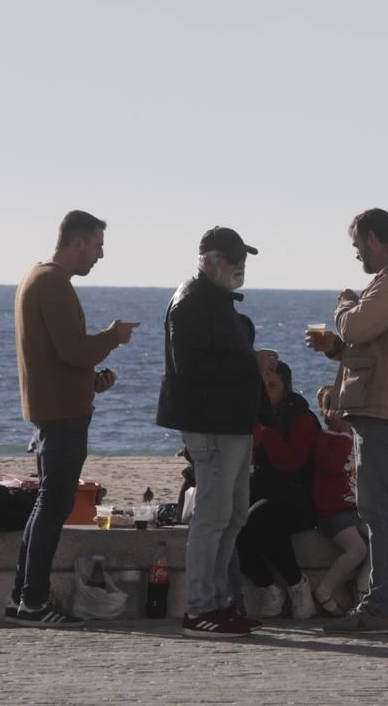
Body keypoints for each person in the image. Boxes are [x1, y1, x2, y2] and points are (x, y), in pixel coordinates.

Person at [307, 208, 388, 634]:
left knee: (377, 513)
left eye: (356, 245)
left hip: (384, 414)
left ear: (372, 239)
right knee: (377, 512)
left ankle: (379, 607)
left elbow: (358, 325)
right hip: (384, 411)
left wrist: (345, 303)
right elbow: (375, 349)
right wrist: (335, 349)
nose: (356, 255)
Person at [8, 211, 138, 626]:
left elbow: (58, 356)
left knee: (47, 503)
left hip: (57, 409)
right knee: (53, 503)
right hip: (62, 417)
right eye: (97, 245)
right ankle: (32, 602)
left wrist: (90, 382)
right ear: (78, 242)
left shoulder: (37, 278)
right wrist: (113, 338)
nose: (100, 255)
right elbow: (74, 350)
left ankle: (22, 598)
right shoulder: (53, 283)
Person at [157, 226, 276, 638]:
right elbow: (190, 367)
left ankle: (222, 602)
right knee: (212, 516)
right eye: (233, 258)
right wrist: (252, 364)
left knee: (233, 514)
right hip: (211, 425)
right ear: (209, 260)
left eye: (243, 258)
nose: (241, 265)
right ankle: (200, 608)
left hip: (232, 424)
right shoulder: (191, 301)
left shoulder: (215, 298)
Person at [237, 360, 319, 620]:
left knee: (262, 520)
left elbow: (291, 462)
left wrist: (267, 436)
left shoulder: (301, 417)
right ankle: (268, 587)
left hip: (299, 496)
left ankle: (298, 586)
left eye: (272, 386)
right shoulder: (249, 414)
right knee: (232, 523)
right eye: (261, 387)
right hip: (258, 491)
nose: (266, 392)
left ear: (286, 388)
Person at [309, 385, 369, 617]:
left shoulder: (353, 439)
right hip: (330, 510)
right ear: (327, 413)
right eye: (339, 409)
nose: (346, 415)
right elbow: (333, 466)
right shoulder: (325, 440)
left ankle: (362, 586)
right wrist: (346, 435)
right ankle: (324, 591)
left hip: (353, 507)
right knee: (357, 549)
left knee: (381, 537)